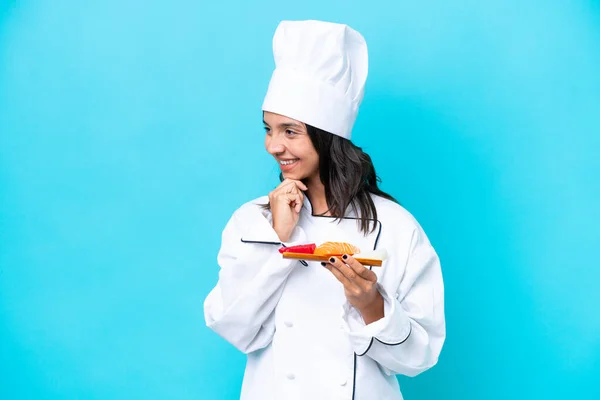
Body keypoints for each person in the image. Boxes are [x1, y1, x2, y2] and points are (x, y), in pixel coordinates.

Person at [203, 20, 445, 400]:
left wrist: (372, 306)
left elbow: (420, 357)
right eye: (268, 129)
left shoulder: (395, 227)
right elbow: (234, 328)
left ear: (326, 134)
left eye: (290, 131)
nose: (273, 146)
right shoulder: (252, 220)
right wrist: (280, 241)